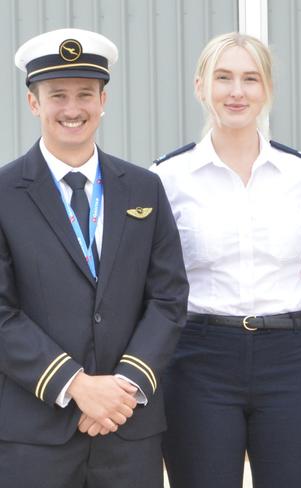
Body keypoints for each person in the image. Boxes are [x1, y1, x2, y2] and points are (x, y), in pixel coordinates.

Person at [0, 28, 189, 488]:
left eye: (85, 94)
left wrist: (122, 389)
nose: (72, 108)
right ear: (33, 103)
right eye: (57, 95)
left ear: (103, 100)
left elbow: (168, 297)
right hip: (36, 433)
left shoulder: (144, 188)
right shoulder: (4, 193)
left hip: (129, 429)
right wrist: (78, 387)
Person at [151, 32, 301, 488]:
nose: (237, 91)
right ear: (200, 87)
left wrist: (285, 335)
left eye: (250, 79)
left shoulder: (300, 173)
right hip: (199, 360)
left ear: (267, 89)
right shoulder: (168, 178)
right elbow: (156, 282)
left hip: (289, 357)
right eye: (223, 77)